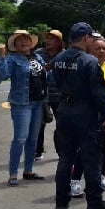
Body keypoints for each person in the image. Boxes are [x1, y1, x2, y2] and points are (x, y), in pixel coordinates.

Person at [50, 22, 105, 209]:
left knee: (65, 159)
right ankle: (94, 202)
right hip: (85, 112)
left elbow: (54, 82)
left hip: (64, 110)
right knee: (91, 159)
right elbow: (99, 92)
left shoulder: (58, 58)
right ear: (86, 38)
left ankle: (61, 202)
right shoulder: (89, 61)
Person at [0, 30, 47, 186]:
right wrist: (1, 55)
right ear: (14, 45)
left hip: (38, 102)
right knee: (20, 138)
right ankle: (13, 174)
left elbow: (46, 75)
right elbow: (3, 75)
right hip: (21, 103)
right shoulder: (12, 59)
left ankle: (28, 170)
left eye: (26, 39)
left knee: (33, 139)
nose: (24, 42)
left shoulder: (37, 57)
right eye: (20, 40)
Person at [71, 35, 105, 191]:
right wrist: (104, 87)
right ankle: (75, 180)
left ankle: (101, 176)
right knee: (86, 146)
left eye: (104, 49)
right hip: (92, 110)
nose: (101, 51)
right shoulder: (87, 66)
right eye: (97, 48)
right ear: (89, 51)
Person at [35, 29, 64, 162]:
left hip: (60, 95)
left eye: (51, 38)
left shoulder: (65, 55)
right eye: (47, 38)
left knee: (62, 125)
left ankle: (61, 151)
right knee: (39, 124)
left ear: (59, 42)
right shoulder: (38, 53)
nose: (48, 41)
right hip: (42, 95)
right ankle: (38, 151)